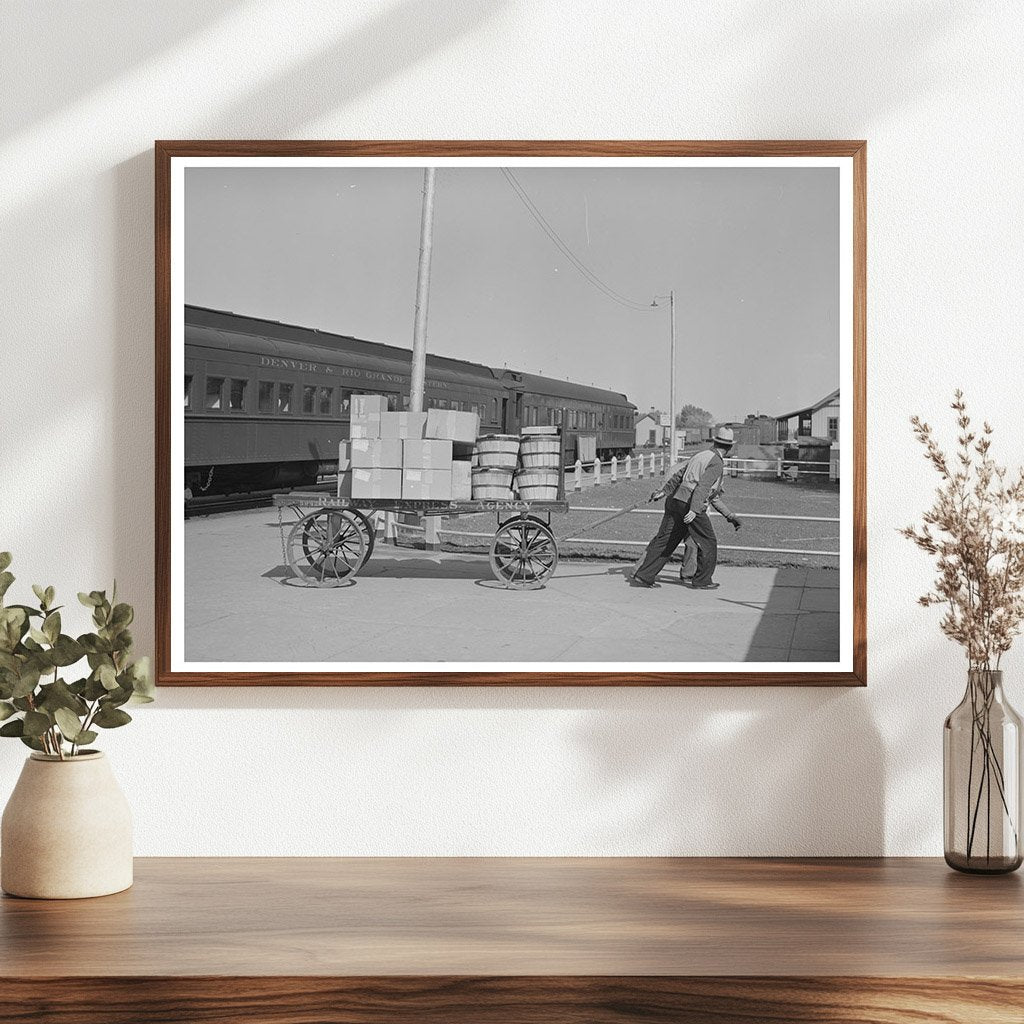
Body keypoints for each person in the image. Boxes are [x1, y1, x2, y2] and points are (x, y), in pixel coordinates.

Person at [631, 426, 742, 589]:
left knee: (667, 540)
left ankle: (645, 575)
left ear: (715, 441)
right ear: (730, 447)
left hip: (676, 500)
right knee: (708, 542)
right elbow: (702, 487)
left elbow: (679, 475)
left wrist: (664, 491)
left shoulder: (701, 455)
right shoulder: (717, 462)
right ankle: (702, 581)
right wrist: (694, 510)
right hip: (690, 504)